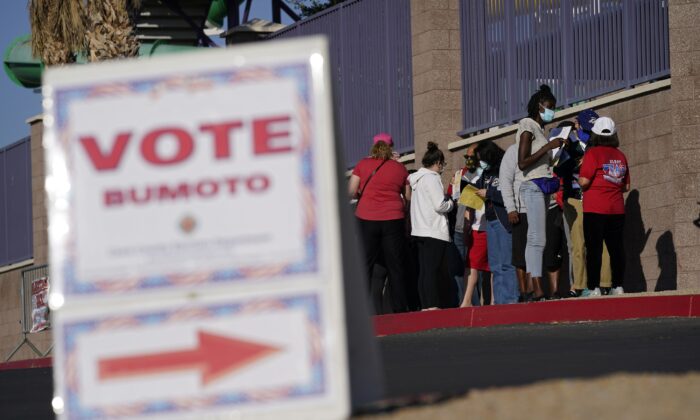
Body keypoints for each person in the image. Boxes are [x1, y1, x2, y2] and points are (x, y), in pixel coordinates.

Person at [348, 132, 409, 313]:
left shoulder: (362, 164)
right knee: (395, 265)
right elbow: (407, 196)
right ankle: (400, 309)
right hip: (393, 218)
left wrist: (362, 194)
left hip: (367, 218)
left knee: (365, 263)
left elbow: (351, 191)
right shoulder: (399, 168)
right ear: (391, 147)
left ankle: (360, 310)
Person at [516, 85, 562, 300]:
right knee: (536, 239)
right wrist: (548, 147)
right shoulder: (527, 125)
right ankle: (536, 287)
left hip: (541, 185)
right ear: (538, 106)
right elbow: (523, 162)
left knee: (537, 238)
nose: (552, 111)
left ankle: (536, 286)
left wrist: (553, 152)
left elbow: (538, 160)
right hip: (532, 186)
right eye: (549, 107)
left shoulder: (538, 129)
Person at [561, 109, 613, 296]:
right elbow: (557, 168)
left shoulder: (599, 143)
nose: (591, 132)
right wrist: (573, 158)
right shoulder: (568, 142)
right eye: (588, 128)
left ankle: (605, 283)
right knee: (578, 243)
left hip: (597, 197)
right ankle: (581, 285)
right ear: (578, 125)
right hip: (575, 197)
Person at [578, 117, 630, 297]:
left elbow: (584, 182)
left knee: (594, 249)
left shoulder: (592, 154)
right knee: (616, 249)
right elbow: (626, 186)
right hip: (616, 208)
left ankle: (594, 287)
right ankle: (618, 285)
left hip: (595, 208)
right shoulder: (621, 155)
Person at [408, 142, 454, 310]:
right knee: (432, 270)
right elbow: (439, 205)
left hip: (420, 230)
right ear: (438, 163)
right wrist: (451, 203)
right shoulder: (432, 178)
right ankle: (433, 304)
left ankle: (426, 304)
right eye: (443, 164)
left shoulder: (417, 179)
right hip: (433, 230)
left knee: (425, 270)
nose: (443, 167)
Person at [475, 141, 519, 304]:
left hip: (503, 219)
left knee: (507, 262)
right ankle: (500, 301)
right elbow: (478, 188)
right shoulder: (486, 173)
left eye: (482, 158)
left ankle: (510, 299)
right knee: (495, 265)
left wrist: (490, 193)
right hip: (490, 220)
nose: (481, 162)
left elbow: (509, 193)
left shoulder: (505, 168)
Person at [447, 145, 482, 306]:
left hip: (475, 228)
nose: (468, 160)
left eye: (471, 157)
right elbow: (450, 199)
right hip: (459, 228)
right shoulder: (458, 174)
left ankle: (477, 302)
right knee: (460, 269)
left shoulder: (482, 173)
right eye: (466, 157)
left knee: (476, 269)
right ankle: (464, 301)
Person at [499, 143, 532, 302]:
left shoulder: (542, 146)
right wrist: (511, 208)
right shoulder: (513, 151)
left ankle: (534, 290)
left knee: (535, 252)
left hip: (538, 209)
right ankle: (524, 292)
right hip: (520, 210)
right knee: (520, 256)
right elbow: (505, 181)